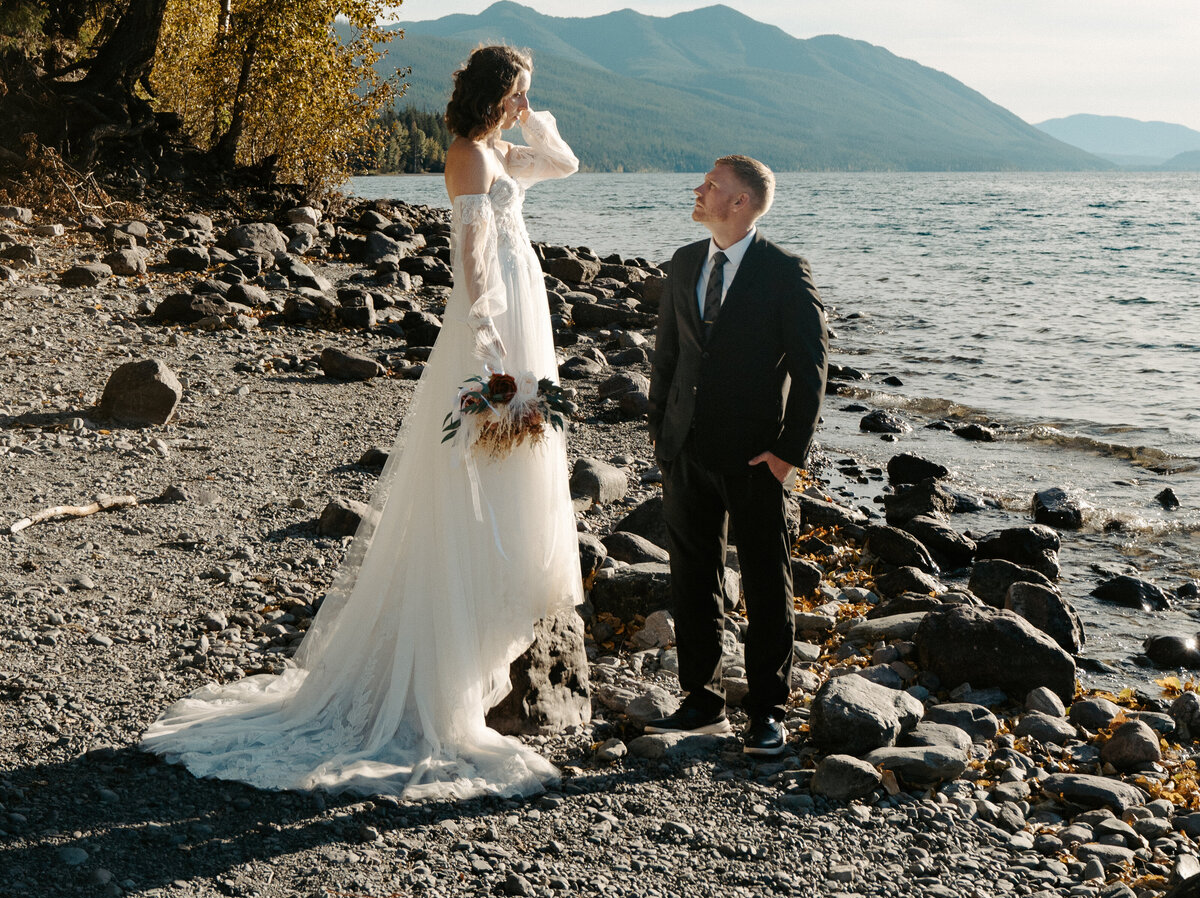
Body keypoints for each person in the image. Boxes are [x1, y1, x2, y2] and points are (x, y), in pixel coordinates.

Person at [140, 44, 582, 801]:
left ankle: (490, 611)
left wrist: (537, 121)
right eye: (519, 91)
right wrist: (494, 352)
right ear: (496, 91)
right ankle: (441, 652)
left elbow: (565, 166)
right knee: (471, 461)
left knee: (514, 459)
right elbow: (474, 261)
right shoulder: (468, 158)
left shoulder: (502, 149)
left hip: (524, 308)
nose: (524, 104)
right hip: (496, 322)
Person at [646, 155, 827, 758]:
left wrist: (786, 454)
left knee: (765, 580)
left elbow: (812, 370)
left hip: (754, 457)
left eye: (711, 186)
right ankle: (700, 699)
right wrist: (660, 434)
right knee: (693, 577)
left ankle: (767, 711)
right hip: (685, 451)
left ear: (742, 202)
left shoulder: (784, 272)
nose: (698, 191)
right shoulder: (686, 262)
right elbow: (667, 357)